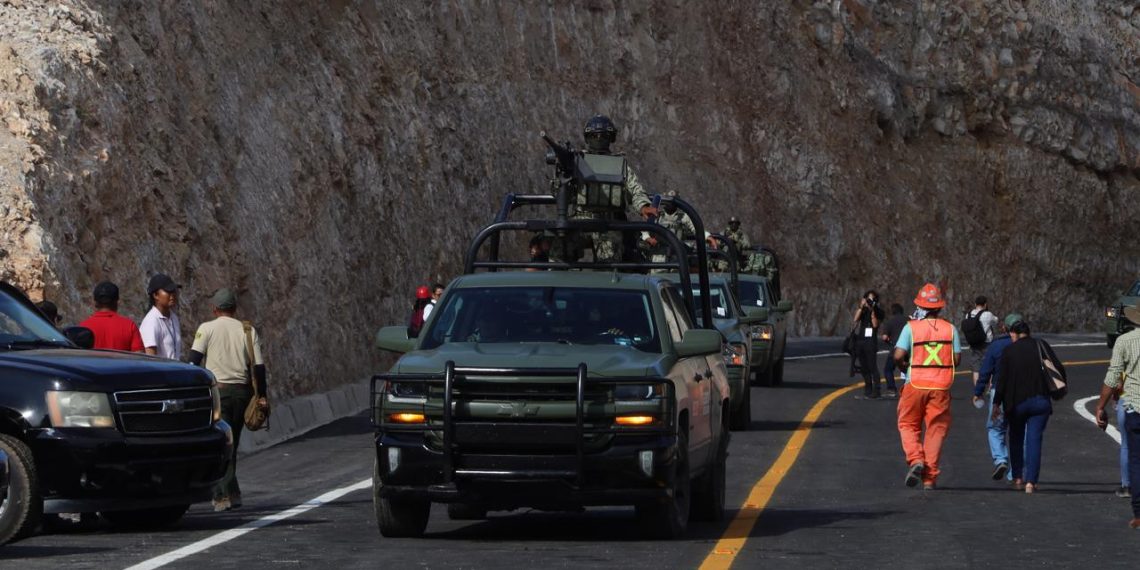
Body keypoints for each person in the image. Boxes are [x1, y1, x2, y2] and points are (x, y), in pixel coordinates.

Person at [188, 288, 267, 512]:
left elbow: (193, 362)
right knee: (233, 441)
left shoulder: (206, 328)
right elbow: (259, 367)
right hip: (242, 393)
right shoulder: (248, 330)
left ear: (215, 309)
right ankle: (234, 492)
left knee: (222, 443)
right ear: (234, 309)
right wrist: (262, 396)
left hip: (218, 392)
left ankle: (222, 495)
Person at [549, 115, 657, 263]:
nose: (599, 139)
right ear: (588, 138)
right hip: (580, 219)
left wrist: (643, 206)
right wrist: (563, 174)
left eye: (604, 135)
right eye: (594, 135)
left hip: (609, 223)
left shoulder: (619, 165)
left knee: (610, 264)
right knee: (558, 251)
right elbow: (558, 193)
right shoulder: (577, 161)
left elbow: (634, 188)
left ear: (611, 138)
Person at [893, 283, 961, 490]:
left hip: (915, 383)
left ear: (920, 306)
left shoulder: (911, 328)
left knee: (908, 424)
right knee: (936, 429)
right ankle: (929, 478)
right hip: (941, 386)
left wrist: (904, 365)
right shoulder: (950, 329)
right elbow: (956, 359)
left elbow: (897, 355)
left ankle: (915, 460)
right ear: (940, 307)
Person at [994, 319, 1062, 494]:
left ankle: (1017, 476)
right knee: (1034, 440)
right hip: (1040, 401)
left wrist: (996, 403)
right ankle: (1031, 482)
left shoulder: (1008, 351)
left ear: (1014, 334)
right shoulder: (1041, 345)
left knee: (1015, 438)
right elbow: (1058, 367)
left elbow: (1001, 381)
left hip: (1016, 402)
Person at [1094, 304, 1140, 528]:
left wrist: (1100, 406)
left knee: (1134, 456)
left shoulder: (1124, 341)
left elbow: (1112, 378)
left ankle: (1138, 510)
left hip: (1134, 405)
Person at [971, 312, 1023, 482]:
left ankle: (1000, 459)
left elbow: (985, 371)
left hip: (999, 392)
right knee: (1019, 432)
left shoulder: (997, 345)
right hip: (1023, 393)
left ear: (1005, 328)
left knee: (995, 428)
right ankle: (1016, 472)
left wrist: (978, 392)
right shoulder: (1029, 344)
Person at [78, 281, 144, 351]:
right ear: (116, 302)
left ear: (95, 302)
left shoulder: (83, 328)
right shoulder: (130, 326)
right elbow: (139, 356)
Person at [139, 273, 182, 360]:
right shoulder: (151, 321)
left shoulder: (174, 318)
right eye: (168, 291)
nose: (172, 294)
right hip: (162, 373)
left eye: (173, 291)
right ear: (155, 295)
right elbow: (150, 359)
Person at [852, 290, 885, 399]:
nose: (869, 302)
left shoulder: (878, 311)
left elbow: (875, 325)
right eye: (868, 299)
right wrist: (861, 307)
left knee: (872, 366)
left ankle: (877, 390)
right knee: (864, 367)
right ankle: (868, 388)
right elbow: (855, 319)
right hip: (861, 340)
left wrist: (873, 311)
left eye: (872, 299)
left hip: (871, 342)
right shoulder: (863, 310)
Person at [964, 296, 999, 385]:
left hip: (974, 344)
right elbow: (996, 320)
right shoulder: (987, 314)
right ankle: (991, 387)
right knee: (991, 365)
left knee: (976, 369)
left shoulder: (968, 315)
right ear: (985, 304)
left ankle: (977, 391)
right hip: (987, 344)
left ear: (975, 304)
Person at [880, 303, 907, 397]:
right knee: (908, 369)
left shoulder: (890, 322)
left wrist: (889, 341)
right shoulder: (909, 320)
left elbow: (884, 337)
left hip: (896, 349)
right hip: (909, 349)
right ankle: (908, 388)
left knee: (888, 369)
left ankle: (891, 389)